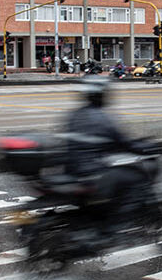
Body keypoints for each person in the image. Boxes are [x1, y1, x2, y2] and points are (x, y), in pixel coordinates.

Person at [64, 76, 150, 236]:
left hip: (72, 169)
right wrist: (143, 148)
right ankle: (116, 225)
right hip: (92, 171)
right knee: (136, 180)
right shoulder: (103, 118)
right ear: (101, 95)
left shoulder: (74, 115)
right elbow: (124, 142)